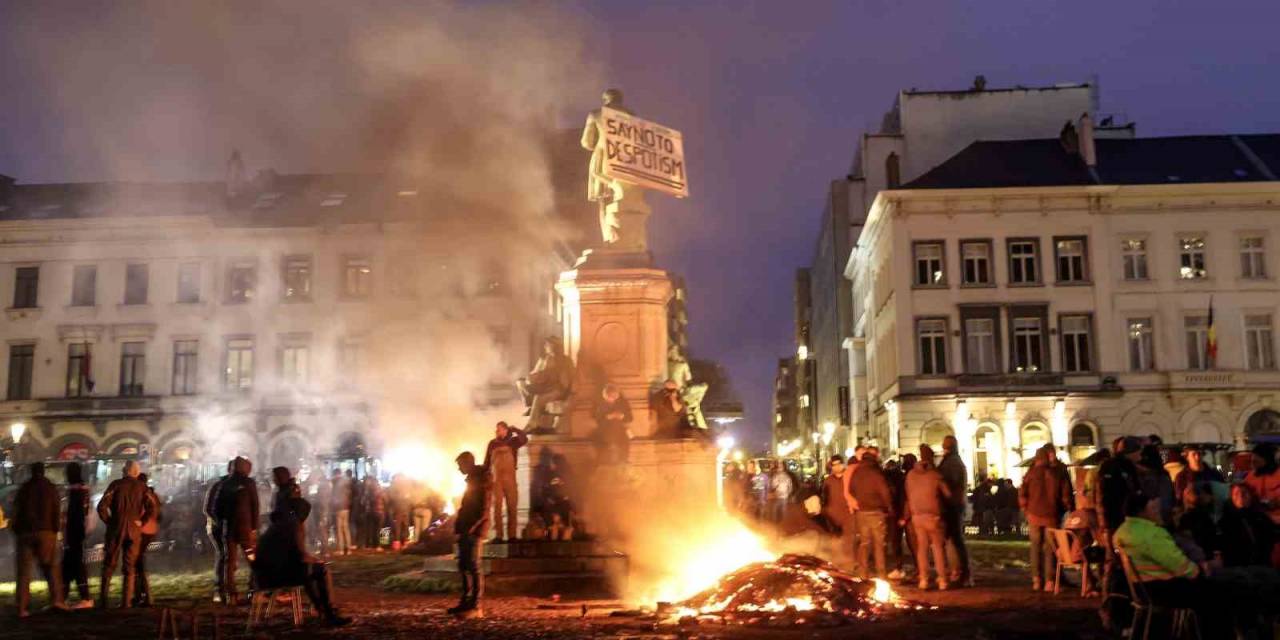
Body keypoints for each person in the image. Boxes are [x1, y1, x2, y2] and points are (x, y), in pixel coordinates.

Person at [254, 467, 351, 627]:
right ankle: (328, 612)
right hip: (277, 576)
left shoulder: (274, 526)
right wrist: (310, 558)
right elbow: (298, 554)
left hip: (265, 575)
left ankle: (323, 611)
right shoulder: (292, 527)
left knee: (308, 572)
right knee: (319, 570)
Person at [1094, 437, 1143, 627]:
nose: (1140, 455)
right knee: (1112, 564)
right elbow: (1104, 499)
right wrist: (1106, 526)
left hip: (1123, 523)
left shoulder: (1124, 467)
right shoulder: (1113, 468)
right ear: (1132, 451)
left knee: (1119, 566)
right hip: (1116, 524)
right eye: (1138, 451)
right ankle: (1109, 608)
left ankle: (1120, 605)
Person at [13, 462, 68, 617]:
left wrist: (17, 529)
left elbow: (16, 510)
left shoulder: (24, 489)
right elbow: (57, 510)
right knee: (51, 568)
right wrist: (56, 529)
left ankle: (22, 608)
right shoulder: (51, 488)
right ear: (43, 472)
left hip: (25, 532)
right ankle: (57, 601)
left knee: (24, 573)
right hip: (46, 532)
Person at [97, 460, 153, 609]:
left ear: (124, 471)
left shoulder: (115, 485)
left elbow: (101, 506)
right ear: (135, 472)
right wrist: (142, 521)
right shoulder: (142, 487)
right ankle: (126, 602)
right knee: (130, 567)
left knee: (109, 564)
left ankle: (103, 601)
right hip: (134, 529)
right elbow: (152, 507)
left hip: (116, 528)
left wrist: (109, 522)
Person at [1020, 444, 1073, 592]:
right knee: (1050, 549)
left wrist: (1025, 509)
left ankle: (1036, 580)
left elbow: (1022, 493)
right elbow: (1065, 494)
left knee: (1035, 547)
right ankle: (1049, 581)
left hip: (1033, 515)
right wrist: (1068, 508)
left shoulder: (1030, 474)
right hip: (1051, 515)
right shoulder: (1056, 473)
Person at [905, 445, 952, 590]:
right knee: (937, 548)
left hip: (917, 516)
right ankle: (942, 580)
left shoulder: (910, 475)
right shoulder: (935, 475)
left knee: (922, 548)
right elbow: (948, 494)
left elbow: (908, 493)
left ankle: (923, 579)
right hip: (933, 516)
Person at [450, 451, 492, 616]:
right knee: (464, 565)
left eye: (460, 465)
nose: (459, 469)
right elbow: (466, 508)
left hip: (474, 530)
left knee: (473, 566)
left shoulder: (481, 480)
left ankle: (475, 603)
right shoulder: (473, 480)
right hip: (467, 529)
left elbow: (483, 510)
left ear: (467, 463)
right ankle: (466, 600)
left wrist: (471, 528)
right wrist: (459, 527)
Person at [214, 456, 259, 605]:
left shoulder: (225, 484)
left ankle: (231, 595)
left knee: (230, 562)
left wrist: (223, 522)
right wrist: (254, 528)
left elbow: (216, 509)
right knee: (253, 559)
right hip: (245, 529)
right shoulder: (249, 483)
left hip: (229, 530)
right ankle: (253, 591)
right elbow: (255, 506)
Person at [849, 448, 894, 579]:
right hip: (876, 512)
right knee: (879, 544)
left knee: (864, 543)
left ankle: (863, 573)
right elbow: (885, 492)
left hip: (861, 512)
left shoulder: (856, 473)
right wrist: (889, 506)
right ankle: (881, 572)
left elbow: (851, 490)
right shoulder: (876, 473)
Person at [483, 421, 529, 542]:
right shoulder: (492, 444)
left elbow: (524, 439)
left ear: (505, 430)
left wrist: (516, 430)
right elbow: (487, 462)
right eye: (496, 430)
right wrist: (485, 476)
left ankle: (512, 536)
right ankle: (498, 535)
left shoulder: (513, 442)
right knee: (496, 508)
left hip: (510, 479)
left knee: (512, 507)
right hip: (496, 480)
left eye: (499, 429)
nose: (496, 432)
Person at [938, 435, 971, 586]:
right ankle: (960, 571)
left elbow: (950, 484)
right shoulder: (955, 461)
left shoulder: (952, 463)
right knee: (954, 540)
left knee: (955, 540)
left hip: (952, 506)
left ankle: (962, 572)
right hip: (955, 504)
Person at [1219, 483, 1277, 567]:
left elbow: (1271, 538)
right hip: (1238, 569)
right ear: (1231, 498)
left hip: (1262, 566)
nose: (1241, 495)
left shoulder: (1261, 517)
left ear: (1251, 496)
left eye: (1244, 492)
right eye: (1236, 493)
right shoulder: (1225, 521)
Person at [62, 462, 93, 608]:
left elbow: (75, 515)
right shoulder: (84, 490)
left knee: (75, 565)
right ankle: (63, 597)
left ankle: (84, 597)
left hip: (75, 533)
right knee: (69, 565)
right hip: (78, 533)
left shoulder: (76, 491)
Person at [203, 460, 233, 602]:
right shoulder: (219, 485)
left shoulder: (228, 485)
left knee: (227, 557)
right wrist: (219, 523)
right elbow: (208, 509)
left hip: (227, 526)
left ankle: (225, 587)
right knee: (222, 555)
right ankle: (219, 589)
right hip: (217, 527)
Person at [132, 473, 163, 607]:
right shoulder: (152, 493)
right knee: (138, 562)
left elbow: (152, 511)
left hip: (144, 531)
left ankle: (144, 595)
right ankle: (141, 595)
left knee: (138, 562)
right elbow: (159, 514)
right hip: (150, 530)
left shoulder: (144, 493)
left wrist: (141, 522)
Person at [821, 455, 853, 570]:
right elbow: (824, 497)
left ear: (843, 464)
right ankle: (837, 564)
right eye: (834, 465)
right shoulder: (828, 481)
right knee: (835, 542)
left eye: (839, 464)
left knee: (848, 541)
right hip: (832, 516)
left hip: (847, 515)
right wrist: (826, 511)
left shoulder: (849, 478)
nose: (837, 467)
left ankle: (848, 565)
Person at [592, 384, 633, 464]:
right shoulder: (601, 405)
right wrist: (608, 417)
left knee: (624, 439)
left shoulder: (623, 404)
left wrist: (622, 416)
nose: (612, 398)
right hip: (605, 430)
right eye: (610, 396)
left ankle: (623, 460)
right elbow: (598, 420)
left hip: (621, 430)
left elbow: (630, 417)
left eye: (614, 396)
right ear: (605, 396)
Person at [1243, 443, 1280, 526]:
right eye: (1252, 461)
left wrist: (1276, 503)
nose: (1253, 464)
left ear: (1269, 460)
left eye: (1256, 461)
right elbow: (1243, 495)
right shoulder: (1250, 476)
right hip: (1257, 518)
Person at [331, 469, 353, 555]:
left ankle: (340, 550)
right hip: (346, 508)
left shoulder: (336, 483)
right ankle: (349, 549)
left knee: (340, 529)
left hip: (339, 508)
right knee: (346, 528)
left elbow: (334, 496)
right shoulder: (346, 482)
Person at [360, 475, 385, 550]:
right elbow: (385, 499)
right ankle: (378, 545)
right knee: (379, 529)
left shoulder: (367, 490)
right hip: (379, 511)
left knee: (370, 529)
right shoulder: (380, 489)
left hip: (370, 511)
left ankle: (369, 545)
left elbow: (362, 502)